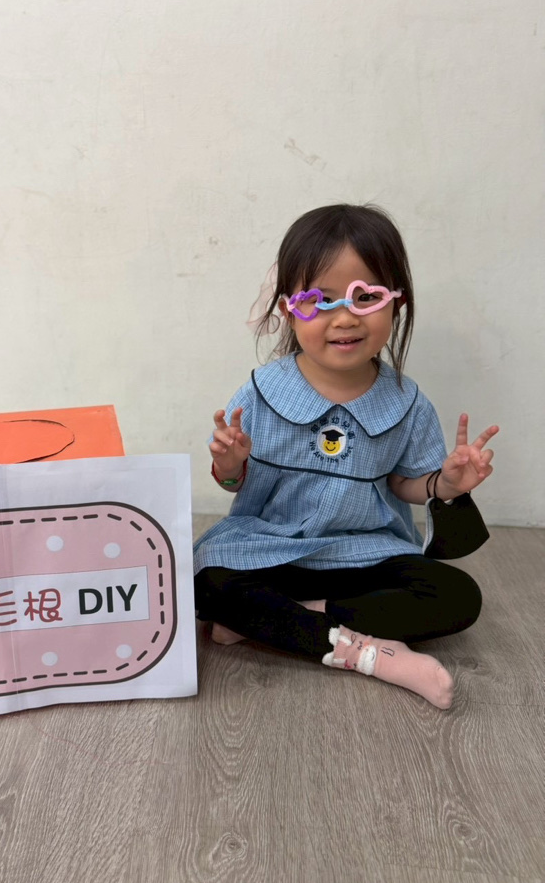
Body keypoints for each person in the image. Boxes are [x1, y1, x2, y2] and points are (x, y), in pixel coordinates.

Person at [194, 204, 499, 709]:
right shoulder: (263, 390)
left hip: (366, 553)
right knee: (206, 583)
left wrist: (445, 485)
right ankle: (373, 653)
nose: (343, 317)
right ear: (289, 308)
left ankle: (291, 620)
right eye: (319, 300)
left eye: (366, 297)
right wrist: (230, 465)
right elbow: (233, 484)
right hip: (273, 548)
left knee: (459, 596)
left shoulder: (407, 401)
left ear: (396, 302)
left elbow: (403, 484)